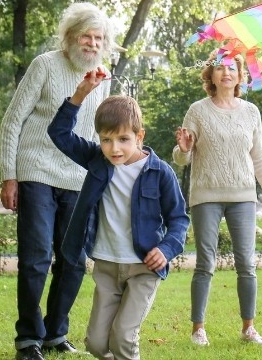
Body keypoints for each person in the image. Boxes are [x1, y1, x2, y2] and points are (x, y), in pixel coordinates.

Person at [0, 2, 117, 360]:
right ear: (70, 37)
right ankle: (28, 339)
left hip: (79, 180)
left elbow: (103, 135)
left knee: (74, 261)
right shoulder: (45, 65)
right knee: (35, 258)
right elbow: (12, 121)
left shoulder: (102, 77)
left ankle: (55, 333)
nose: (92, 44)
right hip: (36, 171)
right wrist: (9, 175)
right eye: (86, 36)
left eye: (99, 38)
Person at [48, 74, 190, 360]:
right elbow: (59, 133)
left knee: (124, 337)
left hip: (143, 267)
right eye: (106, 140)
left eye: (124, 139)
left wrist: (166, 249)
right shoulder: (96, 159)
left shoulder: (160, 172)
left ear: (140, 136)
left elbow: (179, 219)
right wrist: (80, 95)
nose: (114, 148)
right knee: (98, 345)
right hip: (107, 265)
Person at [173, 50, 262, 348]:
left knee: (246, 264)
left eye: (232, 68)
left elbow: (258, 157)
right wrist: (184, 148)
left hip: (243, 197)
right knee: (205, 263)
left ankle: (248, 328)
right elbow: (182, 158)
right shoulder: (197, 111)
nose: (226, 73)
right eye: (220, 68)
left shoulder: (251, 112)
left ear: (239, 76)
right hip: (206, 195)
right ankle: (198, 329)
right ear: (210, 75)